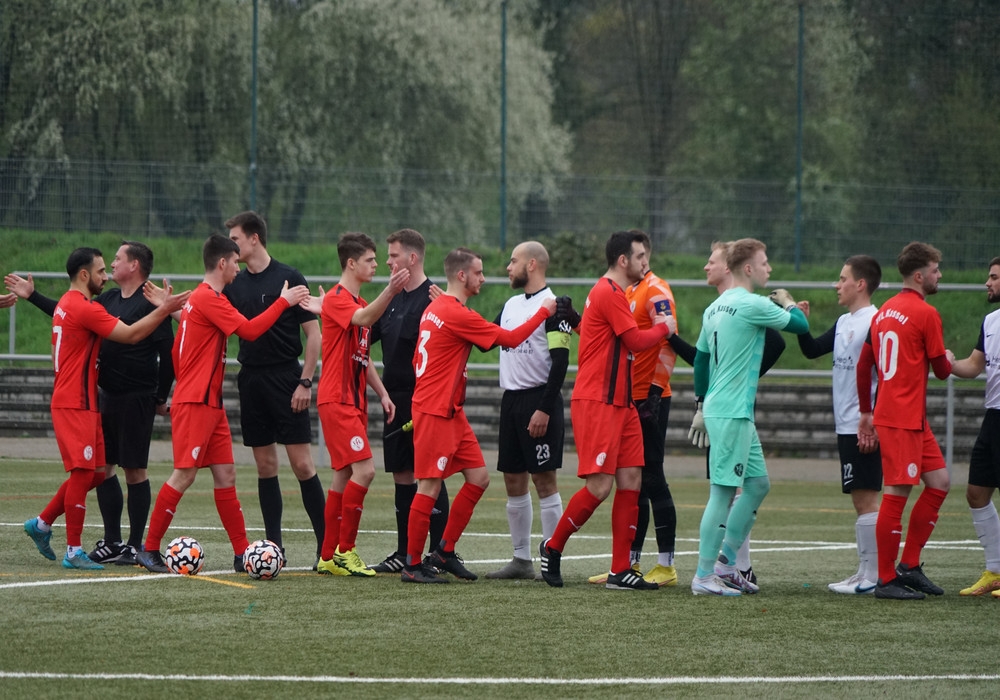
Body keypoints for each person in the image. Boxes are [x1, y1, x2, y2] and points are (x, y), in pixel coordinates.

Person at [136, 235, 309, 573]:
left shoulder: (205, 300)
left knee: (226, 474)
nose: (237, 267)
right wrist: (283, 302)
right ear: (221, 264)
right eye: (234, 262)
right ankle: (150, 548)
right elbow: (249, 330)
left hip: (208, 403)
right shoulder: (208, 298)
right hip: (196, 402)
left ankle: (242, 553)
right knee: (184, 475)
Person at [6, 242, 175, 567]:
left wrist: (160, 394)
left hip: (123, 397)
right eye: (102, 267)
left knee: (111, 472)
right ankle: (89, 546)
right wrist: (166, 309)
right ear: (85, 275)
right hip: (88, 399)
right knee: (93, 471)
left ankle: (124, 543)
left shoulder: (98, 303)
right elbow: (116, 330)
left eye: (115, 261)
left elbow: (164, 351)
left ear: (135, 265)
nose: (108, 270)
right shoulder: (99, 302)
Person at [401, 247, 557, 584]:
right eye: (479, 273)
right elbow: (511, 338)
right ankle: (413, 565)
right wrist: (544, 311)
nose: (484, 278)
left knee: (479, 478)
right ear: (462, 276)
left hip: (449, 410)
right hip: (434, 409)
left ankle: (443, 551)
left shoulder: (440, 307)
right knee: (429, 485)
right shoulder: (453, 311)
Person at [538, 230, 674, 590]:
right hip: (598, 400)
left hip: (623, 402)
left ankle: (620, 570)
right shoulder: (609, 291)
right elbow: (634, 341)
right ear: (623, 260)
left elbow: (603, 336)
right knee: (599, 487)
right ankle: (552, 548)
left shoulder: (615, 293)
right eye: (641, 256)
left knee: (631, 480)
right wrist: (664, 330)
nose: (646, 262)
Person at [689, 237, 808, 596]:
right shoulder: (752, 303)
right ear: (747, 268)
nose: (769, 268)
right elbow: (800, 326)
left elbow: (700, 359)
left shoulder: (716, 307)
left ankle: (725, 563)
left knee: (757, 485)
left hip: (729, 409)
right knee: (723, 493)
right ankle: (703, 576)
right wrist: (788, 301)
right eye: (764, 262)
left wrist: (700, 406)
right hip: (731, 411)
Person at [299, 232, 409, 577]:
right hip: (338, 400)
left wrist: (382, 393)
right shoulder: (339, 299)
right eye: (370, 260)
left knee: (344, 476)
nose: (377, 265)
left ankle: (328, 555)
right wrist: (390, 290)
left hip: (354, 401)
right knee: (366, 470)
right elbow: (363, 321)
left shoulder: (355, 303)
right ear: (351, 263)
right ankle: (346, 550)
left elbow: (363, 357)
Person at [223, 211, 326, 566]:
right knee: (266, 466)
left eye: (235, 239)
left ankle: (326, 549)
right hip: (251, 380)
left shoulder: (289, 277)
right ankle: (273, 549)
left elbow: (314, 335)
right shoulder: (233, 283)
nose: (231, 246)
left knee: (302, 466)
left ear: (254, 239)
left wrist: (305, 381)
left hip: (287, 378)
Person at [856, 241, 951, 600]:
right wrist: (952, 359)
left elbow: (865, 364)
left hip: (906, 416)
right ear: (919, 275)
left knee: (940, 481)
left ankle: (909, 565)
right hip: (901, 417)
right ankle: (885, 579)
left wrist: (867, 411)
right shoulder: (926, 313)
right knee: (896, 493)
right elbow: (942, 370)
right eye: (935, 270)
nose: (939, 275)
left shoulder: (884, 312)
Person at [588, 231, 679, 587]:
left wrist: (656, 391)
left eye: (644, 256)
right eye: (636, 256)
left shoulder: (656, 289)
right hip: (628, 399)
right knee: (634, 484)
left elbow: (668, 340)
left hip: (650, 398)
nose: (641, 262)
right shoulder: (625, 290)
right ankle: (629, 565)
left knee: (653, 478)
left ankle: (667, 565)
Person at [794, 255, 882, 594]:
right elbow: (814, 349)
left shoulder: (875, 321)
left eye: (842, 278)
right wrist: (802, 324)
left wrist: (871, 419)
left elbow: (885, 376)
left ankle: (872, 577)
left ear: (860, 284)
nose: (836, 284)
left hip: (864, 424)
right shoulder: (846, 321)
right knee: (860, 498)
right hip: (845, 424)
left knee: (866, 498)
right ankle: (865, 572)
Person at [486, 241, 572, 580]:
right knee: (512, 479)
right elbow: (488, 337)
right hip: (511, 401)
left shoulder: (556, 306)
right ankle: (521, 560)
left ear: (532, 264)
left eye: (513, 261)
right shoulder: (509, 304)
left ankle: (552, 555)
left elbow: (561, 362)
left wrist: (545, 409)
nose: (508, 268)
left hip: (539, 400)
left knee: (544, 479)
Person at [369, 229, 451, 574]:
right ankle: (404, 551)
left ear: (412, 259)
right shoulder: (391, 297)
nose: (387, 262)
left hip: (426, 400)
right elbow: (362, 333)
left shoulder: (434, 299)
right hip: (395, 400)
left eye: (393, 255)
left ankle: (439, 552)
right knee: (402, 474)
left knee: (431, 474)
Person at [950, 256, 1000, 598]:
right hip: (993, 416)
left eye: (994, 277)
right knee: (976, 493)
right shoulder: (990, 321)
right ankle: (995, 571)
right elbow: (973, 366)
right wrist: (943, 360)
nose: (988, 283)